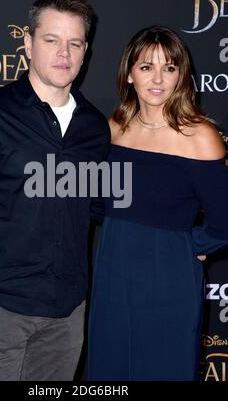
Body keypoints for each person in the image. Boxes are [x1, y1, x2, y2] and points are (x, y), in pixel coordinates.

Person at [0, 0, 110, 381]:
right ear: (28, 44)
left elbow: (101, 208)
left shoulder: (95, 128)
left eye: (75, 43)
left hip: (67, 314)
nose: (64, 53)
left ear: (85, 51)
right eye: (51, 40)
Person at [88, 25, 228, 381]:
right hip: (113, 272)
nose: (158, 78)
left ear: (181, 75)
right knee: (111, 368)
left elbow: (224, 220)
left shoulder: (200, 136)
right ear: (129, 73)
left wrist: (188, 246)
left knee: (165, 367)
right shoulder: (112, 129)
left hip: (169, 277)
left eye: (169, 67)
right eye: (146, 66)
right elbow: (95, 202)